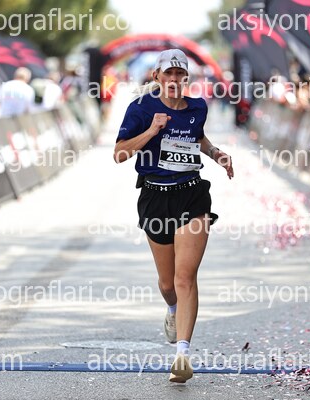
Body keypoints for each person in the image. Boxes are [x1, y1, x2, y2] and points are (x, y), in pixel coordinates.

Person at [113, 49, 234, 384]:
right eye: (168, 74)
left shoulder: (198, 107)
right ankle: (171, 310)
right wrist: (151, 131)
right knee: (168, 285)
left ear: (186, 79)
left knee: (185, 278)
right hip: (155, 197)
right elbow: (119, 154)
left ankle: (182, 355)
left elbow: (198, 139)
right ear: (157, 77)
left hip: (192, 193)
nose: (174, 80)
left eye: (180, 75)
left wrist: (216, 154)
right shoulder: (140, 108)